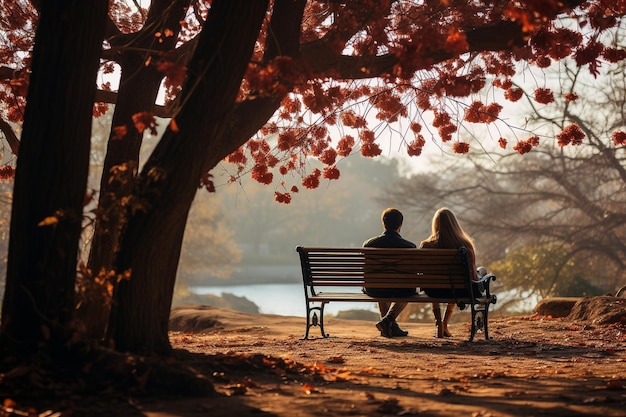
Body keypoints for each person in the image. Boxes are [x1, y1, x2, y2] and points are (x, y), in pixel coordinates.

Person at [420, 207, 478, 338]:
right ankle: (445, 323)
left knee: (433, 281)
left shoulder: (426, 246)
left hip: (433, 290)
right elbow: (473, 276)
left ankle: (438, 323)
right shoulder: (465, 244)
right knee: (454, 281)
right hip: (458, 290)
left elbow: (424, 274)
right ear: (454, 224)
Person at [363, 208, 416, 338]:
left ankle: (389, 326)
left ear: (383, 224)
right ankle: (388, 321)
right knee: (408, 290)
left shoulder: (369, 245)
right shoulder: (409, 247)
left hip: (374, 289)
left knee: (379, 283)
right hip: (401, 290)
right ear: (400, 225)